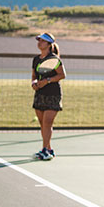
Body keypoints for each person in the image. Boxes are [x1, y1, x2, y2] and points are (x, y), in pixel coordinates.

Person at [31, 32, 66, 161]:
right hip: (40, 94)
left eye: (42, 41)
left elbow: (62, 75)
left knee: (47, 122)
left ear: (48, 44)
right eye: (38, 40)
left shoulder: (54, 59)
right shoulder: (36, 59)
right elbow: (34, 76)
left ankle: (45, 150)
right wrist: (34, 83)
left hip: (53, 94)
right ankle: (48, 149)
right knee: (42, 124)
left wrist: (47, 81)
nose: (39, 43)